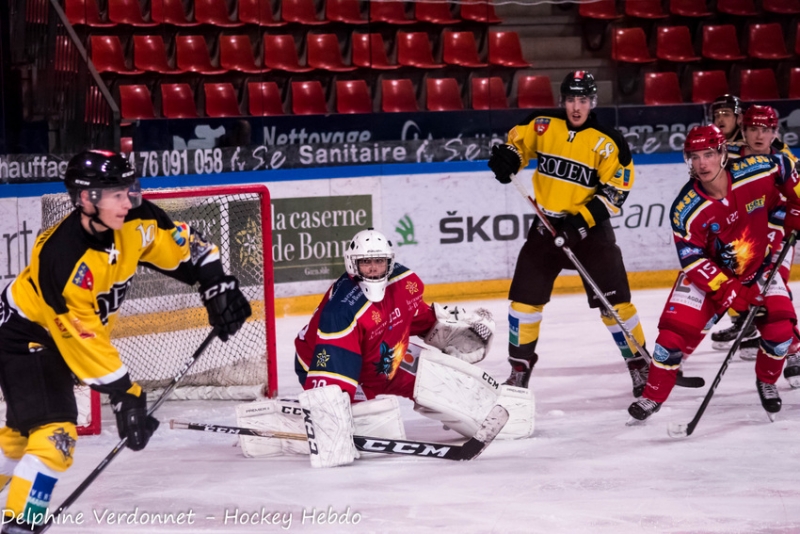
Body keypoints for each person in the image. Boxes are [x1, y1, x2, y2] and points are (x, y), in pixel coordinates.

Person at [0, 150, 251, 532]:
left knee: (20, 442)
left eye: (130, 190)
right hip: (26, 336)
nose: (129, 200)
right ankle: (20, 525)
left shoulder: (136, 218)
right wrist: (125, 393)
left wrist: (213, 280)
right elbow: (82, 339)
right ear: (86, 199)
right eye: (116, 193)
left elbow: (184, 243)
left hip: (60, 339)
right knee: (56, 437)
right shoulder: (62, 259)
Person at [237, 229, 533, 468]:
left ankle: (503, 416)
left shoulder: (404, 283)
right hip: (328, 361)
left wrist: (441, 329)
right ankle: (280, 427)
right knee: (370, 423)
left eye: (379, 261)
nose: (374, 268)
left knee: (443, 379)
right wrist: (331, 418)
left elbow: (407, 316)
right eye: (367, 263)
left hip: (383, 354)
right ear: (353, 265)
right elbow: (333, 373)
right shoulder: (341, 311)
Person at [486, 70, 649, 397]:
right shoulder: (543, 124)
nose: (577, 107)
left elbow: (615, 193)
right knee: (523, 304)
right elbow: (519, 147)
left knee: (615, 305)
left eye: (583, 100)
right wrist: (509, 161)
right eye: (572, 99)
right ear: (563, 100)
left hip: (589, 231)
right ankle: (520, 368)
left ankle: (640, 363)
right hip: (545, 227)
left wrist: (578, 224)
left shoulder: (609, 141)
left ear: (593, 102)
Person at [628, 125, 800, 422]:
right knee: (670, 339)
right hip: (708, 278)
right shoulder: (686, 209)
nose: (702, 163)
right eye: (694, 157)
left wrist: (795, 208)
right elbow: (693, 260)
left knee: (781, 332)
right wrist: (735, 294)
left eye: (708, 154)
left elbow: (786, 165)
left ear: (723, 153)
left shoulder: (755, 170)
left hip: (758, 268)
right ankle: (652, 397)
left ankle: (767, 382)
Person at [715, 106, 800, 383]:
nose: (760, 135)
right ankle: (757, 330)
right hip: (742, 240)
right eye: (753, 129)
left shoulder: (784, 162)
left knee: (776, 292)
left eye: (766, 130)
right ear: (745, 130)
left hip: (776, 236)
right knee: (748, 296)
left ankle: (793, 349)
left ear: (775, 132)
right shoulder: (728, 159)